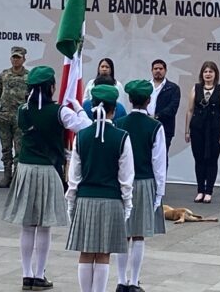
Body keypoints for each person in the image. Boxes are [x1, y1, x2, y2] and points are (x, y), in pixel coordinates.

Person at [4, 66, 92, 291]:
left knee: (27, 224)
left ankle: (26, 274)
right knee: (44, 226)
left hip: (24, 168)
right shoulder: (60, 111)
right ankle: (39, 274)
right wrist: (79, 108)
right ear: (52, 87)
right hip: (48, 169)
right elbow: (85, 127)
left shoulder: (23, 109)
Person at [65, 84, 134, 292]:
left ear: (92, 107)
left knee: (86, 251)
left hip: (85, 199)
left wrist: (71, 201)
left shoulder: (82, 135)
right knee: (104, 253)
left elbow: (74, 175)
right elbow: (126, 177)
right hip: (111, 200)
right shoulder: (122, 136)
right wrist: (127, 204)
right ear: (115, 109)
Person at [114, 80, 167, 292]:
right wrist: (159, 192)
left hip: (121, 181)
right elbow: (159, 162)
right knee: (138, 234)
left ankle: (120, 280)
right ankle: (134, 282)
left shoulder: (119, 122)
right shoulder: (155, 126)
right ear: (148, 100)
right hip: (145, 180)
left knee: (122, 233)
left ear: (129, 99)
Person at [184, 61, 220, 204]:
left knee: (211, 160)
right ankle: (200, 190)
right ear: (202, 74)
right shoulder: (195, 89)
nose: (208, 74)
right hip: (197, 129)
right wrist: (187, 131)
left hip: (214, 130)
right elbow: (190, 110)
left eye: (211, 72)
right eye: (205, 72)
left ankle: (209, 191)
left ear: (215, 74)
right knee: (199, 160)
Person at [0, 46, 30, 188]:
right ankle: (6, 175)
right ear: (10, 59)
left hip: (20, 117)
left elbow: (32, 97)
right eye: (14, 57)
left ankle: (17, 176)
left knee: (20, 149)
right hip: (4, 117)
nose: (16, 60)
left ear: (24, 59)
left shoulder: (29, 76)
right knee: (6, 147)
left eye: (18, 57)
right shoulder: (4, 75)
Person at [147, 59, 180, 150]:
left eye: (160, 69)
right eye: (155, 68)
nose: (158, 71)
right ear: (152, 70)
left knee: (162, 158)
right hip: (146, 126)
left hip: (165, 128)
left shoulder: (173, 88)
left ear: (165, 70)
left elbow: (172, 108)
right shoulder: (145, 86)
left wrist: (156, 116)